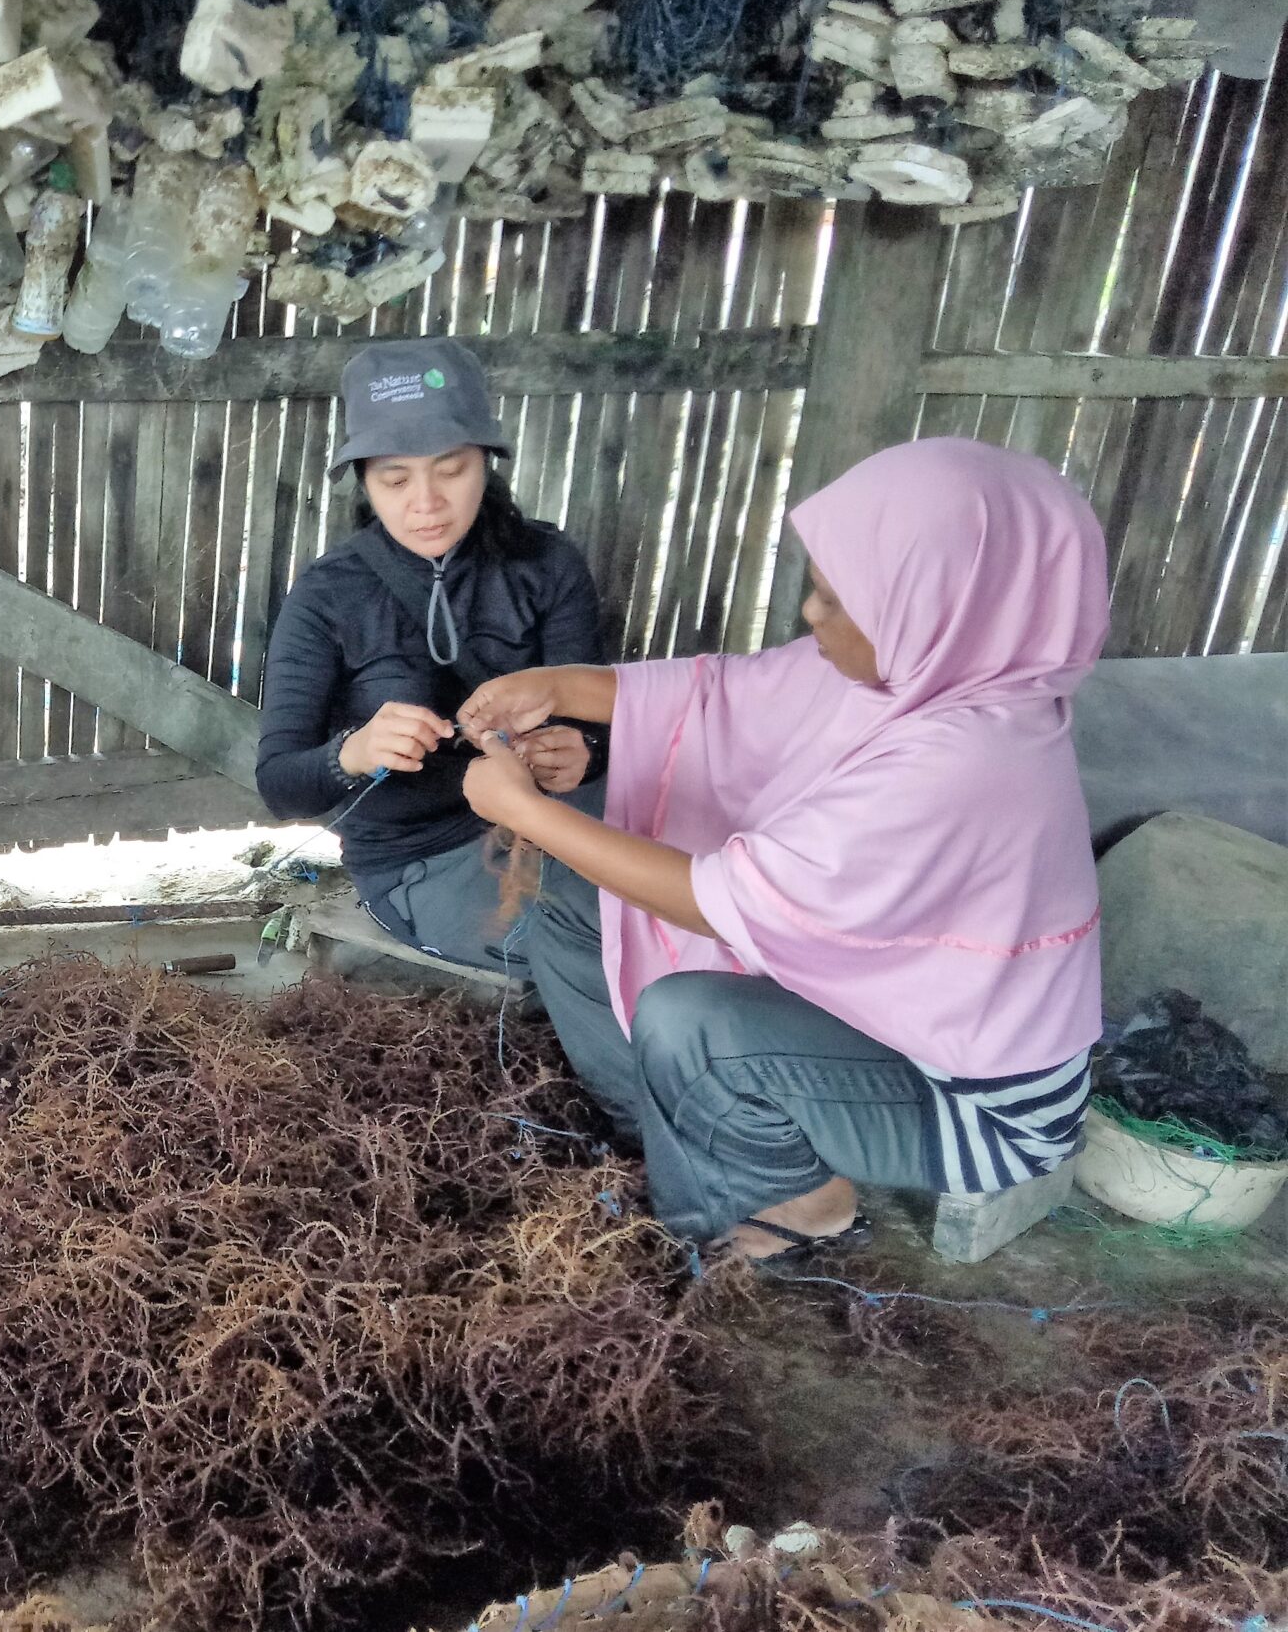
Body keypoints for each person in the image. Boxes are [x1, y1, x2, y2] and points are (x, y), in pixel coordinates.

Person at [451, 438, 1108, 1261]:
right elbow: (729, 693)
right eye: (817, 589)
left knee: (690, 1023)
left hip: (971, 1103)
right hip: (880, 1012)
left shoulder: (970, 759)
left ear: (941, 606)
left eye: (838, 600)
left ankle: (786, 1205)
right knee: (574, 898)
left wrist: (523, 810)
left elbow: (720, 900)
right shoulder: (920, 670)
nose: (810, 616)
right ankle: (670, 1136)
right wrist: (558, 685)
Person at [255, 338, 607, 974]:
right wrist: (353, 753)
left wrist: (582, 751)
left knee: (675, 914)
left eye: (451, 470)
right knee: (594, 947)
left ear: (485, 462)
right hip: (420, 858)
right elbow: (280, 784)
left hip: (561, 830)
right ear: (363, 479)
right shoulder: (329, 594)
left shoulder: (547, 566)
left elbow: (602, 723)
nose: (426, 503)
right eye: (395, 478)